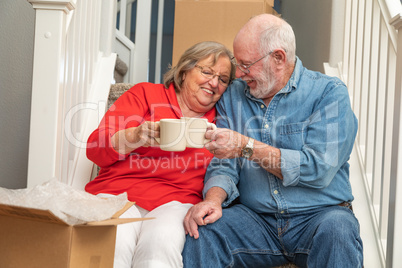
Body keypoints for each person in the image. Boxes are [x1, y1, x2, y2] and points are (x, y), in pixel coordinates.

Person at [182, 14, 364, 268]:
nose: (240, 74)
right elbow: (224, 161)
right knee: (204, 232)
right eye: (238, 63)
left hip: (319, 216)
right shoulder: (234, 95)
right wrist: (213, 200)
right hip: (255, 220)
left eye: (247, 65)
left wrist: (247, 147)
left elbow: (318, 168)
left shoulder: (329, 93)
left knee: (339, 231)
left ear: (278, 58)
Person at [85, 41, 235, 268]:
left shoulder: (222, 119)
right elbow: (95, 149)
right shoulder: (145, 94)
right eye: (206, 71)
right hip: (119, 193)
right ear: (184, 71)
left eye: (223, 80)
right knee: (113, 245)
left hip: (177, 203)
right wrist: (135, 135)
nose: (214, 83)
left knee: (160, 249)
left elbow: (229, 169)